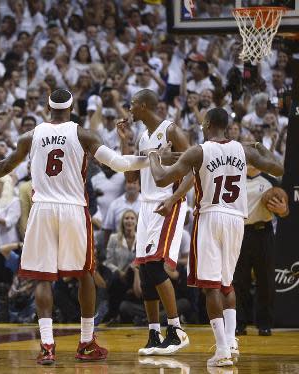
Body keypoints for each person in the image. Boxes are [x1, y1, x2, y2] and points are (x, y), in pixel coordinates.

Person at [0, 88, 178, 365]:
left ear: (48, 107)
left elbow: (5, 166)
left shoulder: (31, 135)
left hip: (42, 209)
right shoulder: (83, 134)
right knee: (86, 274)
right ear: (71, 106)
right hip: (73, 209)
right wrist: (154, 158)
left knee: (42, 278)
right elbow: (121, 165)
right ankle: (86, 342)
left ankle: (47, 346)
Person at [148, 107, 284, 367]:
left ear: (208, 123)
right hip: (236, 219)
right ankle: (230, 341)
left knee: (210, 287)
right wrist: (261, 148)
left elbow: (161, 178)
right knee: (226, 284)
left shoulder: (198, 151)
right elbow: (277, 168)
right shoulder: (244, 150)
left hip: (211, 217)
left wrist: (155, 156)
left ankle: (222, 350)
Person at [126, 89, 191, 356]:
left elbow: (194, 167)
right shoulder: (142, 136)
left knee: (155, 269)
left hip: (168, 202)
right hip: (146, 205)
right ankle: (154, 333)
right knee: (144, 271)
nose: (129, 109)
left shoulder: (171, 130)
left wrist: (174, 198)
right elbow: (131, 177)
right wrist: (124, 143)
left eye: (132, 105)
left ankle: (176, 329)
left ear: (142, 106)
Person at [233, 164, 289, 337]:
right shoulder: (234, 179)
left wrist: (282, 210)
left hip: (263, 233)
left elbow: (285, 212)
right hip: (240, 233)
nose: (250, 162)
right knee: (239, 281)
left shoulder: (271, 181)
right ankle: (239, 324)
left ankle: (264, 324)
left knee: (266, 281)